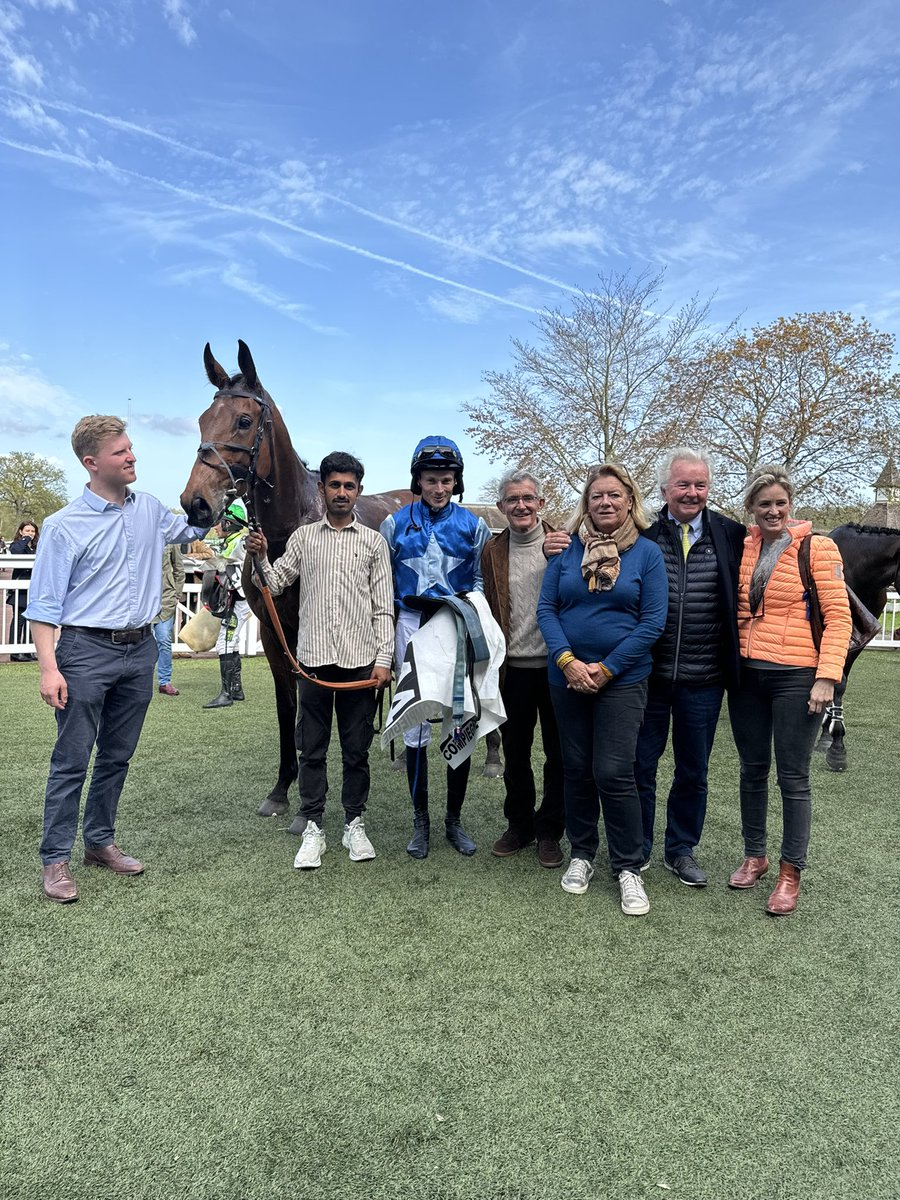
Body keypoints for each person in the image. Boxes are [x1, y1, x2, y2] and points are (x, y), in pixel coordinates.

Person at [25, 415, 207, 904]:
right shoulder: (62, 526)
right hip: (84, 651)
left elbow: (196, 523)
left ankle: (99, 843)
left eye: (131, 448)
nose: (132, 457)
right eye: (121, 451)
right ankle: (55, 860)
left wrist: (223, 483)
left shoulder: (149, 509)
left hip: (141, 649)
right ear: (91, 462)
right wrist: (49, 668)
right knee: (71, 760)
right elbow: (43, 607)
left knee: (116, 757)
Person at [246, 452, 393, 869]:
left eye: (349, 486)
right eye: (334, 485)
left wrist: (383, 659)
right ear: (321, 489)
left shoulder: (373, 543)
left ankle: (354, 823)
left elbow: (383, 608)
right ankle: (313, 827)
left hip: (359, 664)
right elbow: (274, 585)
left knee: (355, 752)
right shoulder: (303, 539)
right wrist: (258, 556)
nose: (342, 493)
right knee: (311, 750)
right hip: (311, 662)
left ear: (358, 491)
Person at [536, 463, 667, 916]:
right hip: (566, 677)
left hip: (622, 680)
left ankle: (628, 865)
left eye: (614, 495)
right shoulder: (566, 550)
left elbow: (652, 621)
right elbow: (547, 610)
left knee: (614, 772)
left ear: (630, 500)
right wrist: (569, 662)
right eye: (597, 497)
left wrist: (607, 669)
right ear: (586, 503)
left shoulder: (647, 554)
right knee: (575, 767)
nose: (606, 503)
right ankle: (582, 854)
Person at [728, 465, 850, 916]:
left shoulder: (818, 547)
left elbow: (839, 616)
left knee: (793, 778)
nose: (773, 510)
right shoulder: (744, 547)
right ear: (751, 509)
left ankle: (789, 872)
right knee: (751, 768)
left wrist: (826, 676)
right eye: (764, 504)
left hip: (797, 675)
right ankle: (755, 855)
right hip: (747, 675)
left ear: (791, 505)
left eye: (780, 503)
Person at [631, 448, 746, 886]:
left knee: (693, 770)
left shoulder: (730, 534)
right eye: (683, 484)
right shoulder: (641, 534)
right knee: (641, 763)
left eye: (700, 485)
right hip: (648, 676)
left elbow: (773, 543)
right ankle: (637, 846)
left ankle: (680, 849)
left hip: (705, 678)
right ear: (664, 490)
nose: (692, 493)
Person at [380, 436, 491, 859]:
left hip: (454, 627)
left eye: (446, 480)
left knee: (458, 722)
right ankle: (420, 822)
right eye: (431, 480)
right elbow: (384, 583)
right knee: (416, 727)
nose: (438, 488)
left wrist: (468, 614)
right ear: (418, 480)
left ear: (455, 481)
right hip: (409, 624)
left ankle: (453, 821)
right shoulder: (394, 524)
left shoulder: (474, 525)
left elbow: (480, 580)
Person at [482, 470, 565, 869]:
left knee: (558, 754)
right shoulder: (492, 551)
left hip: (557, 668)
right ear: (501, 507)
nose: (521, 505)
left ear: (541, 503)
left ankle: (550, 831)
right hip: (510, 669)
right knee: (515, 753)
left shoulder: (564, 544)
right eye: (512, 500)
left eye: (528, 498)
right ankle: (519, 825)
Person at [203, 499, 251, 709]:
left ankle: (226, 694)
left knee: (224, 642)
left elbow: (226, 564)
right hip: (238, 600)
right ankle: (236, 689)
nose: (215, 527)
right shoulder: (236, 539)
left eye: (219, 522)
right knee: (233, 641)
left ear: (229, 524)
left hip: (239, 600)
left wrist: (210, 563)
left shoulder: (241, 542)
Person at [153, 542, 186, 696]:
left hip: (166, 599)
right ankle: (140, 681)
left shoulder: (171, 539)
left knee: (164, 639)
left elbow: (179, 569)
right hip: (143, 600)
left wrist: (176, 594)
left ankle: (164, 682)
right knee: (142, 644)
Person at [8, 520, 39, 661]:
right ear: (21, 532)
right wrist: (25, 539)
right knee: (19, 619)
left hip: (34, 588)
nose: (30, 534)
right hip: (20, 589)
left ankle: (28, 650)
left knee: (32, 620)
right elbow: (16, 552)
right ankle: (15, 652)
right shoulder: (17, 545)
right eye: (27, 531)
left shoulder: (38, 547)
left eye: (32, 531)